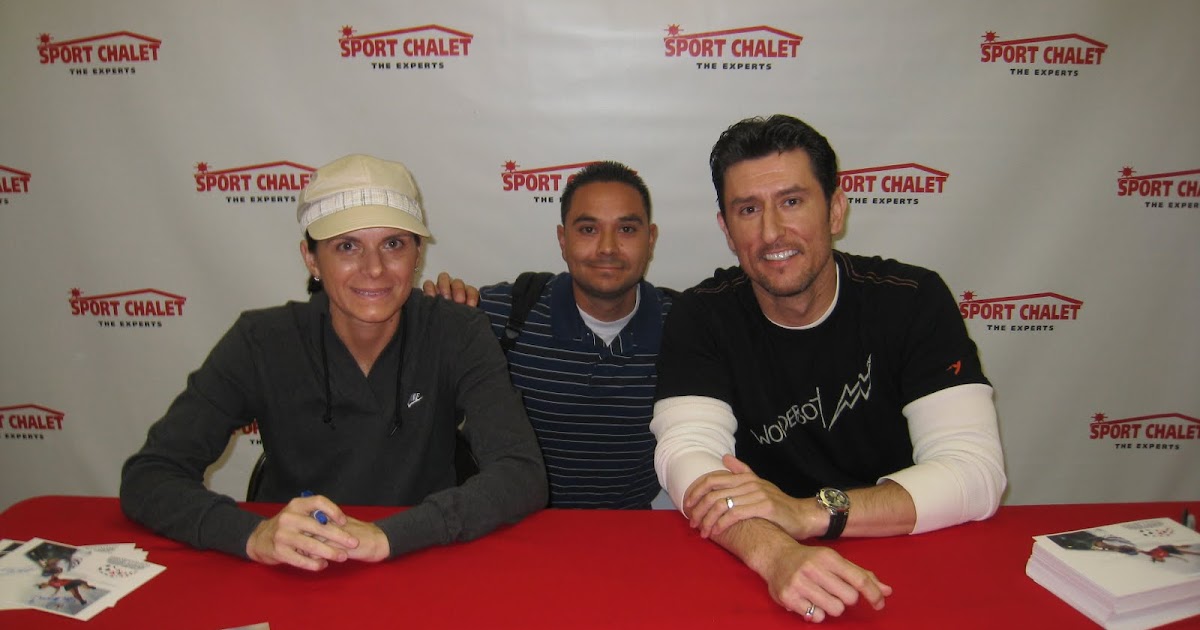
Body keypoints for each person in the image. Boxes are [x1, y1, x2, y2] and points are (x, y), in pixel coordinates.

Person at [651, 115, 1006, 622]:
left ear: (835, 210)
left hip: (900, 548)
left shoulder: (912, 300)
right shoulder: (702, 315)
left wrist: (807, 513)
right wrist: (777, 554)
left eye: (792, 202)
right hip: (755, 555)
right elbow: (688, 457)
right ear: (726, 230)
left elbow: (975, 474)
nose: (771, 231)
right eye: (748, 210)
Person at [120, 154, 547, 572]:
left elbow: (520, 473)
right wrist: (252, 534)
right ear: (311, 258)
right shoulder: (261, 341)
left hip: (420, 559)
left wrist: (389, 536)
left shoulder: (458, 332)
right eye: (347, 246)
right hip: (295, 568)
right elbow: (150, 475)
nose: (374, 268)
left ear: (417, 253)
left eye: (393, 244)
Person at [425, 161, 672, 509]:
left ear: (651, 239)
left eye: (627, 229)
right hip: (513, 523)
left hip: (632, 528)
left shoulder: (683, 326)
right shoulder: (503, 314)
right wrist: (434, 312)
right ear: (562, 239)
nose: (607, 247)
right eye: (588, 229)